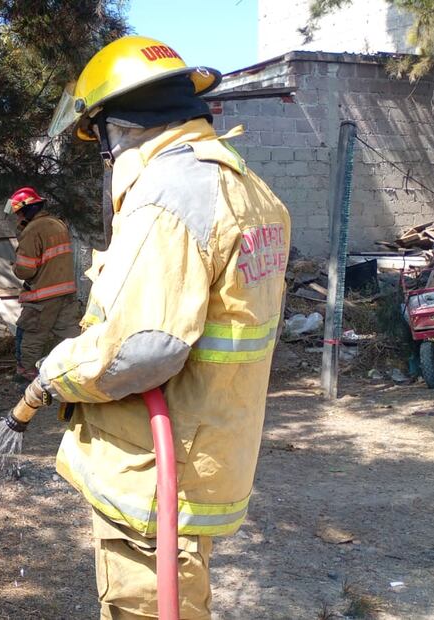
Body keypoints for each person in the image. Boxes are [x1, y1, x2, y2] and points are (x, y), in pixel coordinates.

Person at [18, 35, 291, 619]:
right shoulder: (245, 185)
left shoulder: (168, 196)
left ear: (118, 131)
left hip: (153, 473)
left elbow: (142, 349)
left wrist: (55, 371)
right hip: (209, 446)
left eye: (102, 143)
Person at [6, 186, 82, 381]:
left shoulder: (33, 229)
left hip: (42, 295)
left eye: (19, 213)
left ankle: (26, 373)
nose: (18, 217)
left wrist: (15, 267)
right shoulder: (57, 224)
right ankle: (73, 369)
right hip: (65, 291)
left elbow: (26, 269)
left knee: (30, 333)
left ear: (27, 210)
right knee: (68, 334)